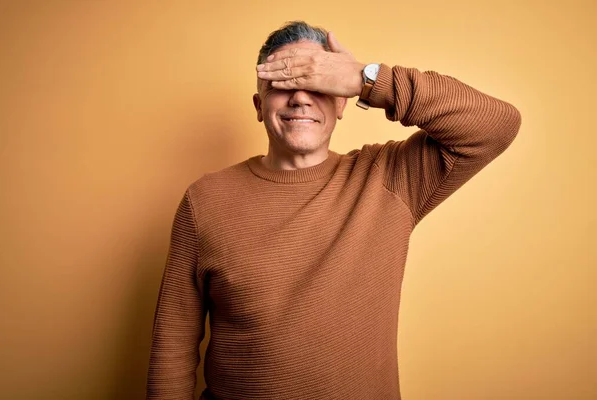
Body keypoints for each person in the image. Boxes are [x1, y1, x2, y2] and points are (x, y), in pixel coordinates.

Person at [146, 21, 521, 400]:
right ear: (260, 107)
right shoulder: (205, 200)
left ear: (342, 101)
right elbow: (173, 344)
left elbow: (497, 125)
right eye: (283, 83)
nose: (301, 98)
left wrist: (369, 79)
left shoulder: (388, 178)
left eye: (318, 82)